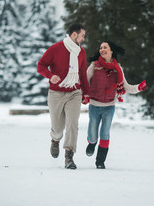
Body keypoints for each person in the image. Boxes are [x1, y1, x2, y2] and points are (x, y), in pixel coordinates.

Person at [85, 41, 146, 169]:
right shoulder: (94, 66)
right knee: (92, 135)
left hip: (109, 106)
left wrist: (138, 88)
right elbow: (84, 82)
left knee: (105, 133)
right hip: (95, 105)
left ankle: (100, 162)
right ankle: (91, 143)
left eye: (105, 47)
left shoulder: (117, 68)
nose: (102, 49)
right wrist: (83, 95)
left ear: (111, 51)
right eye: (100, 48)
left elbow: (126, 87)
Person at [37, 23, 90, 170]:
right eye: (82, 35)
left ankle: (69, 156)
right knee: (57, 126)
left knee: (73, 124)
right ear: (74, 35)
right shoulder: (56, 48)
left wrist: (86, 93)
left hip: (74, 92)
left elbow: (82, 75)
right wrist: (50, 75)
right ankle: (55, 139)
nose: (83, 39)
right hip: (56, 93)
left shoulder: (81, 53)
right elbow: (40, 65)